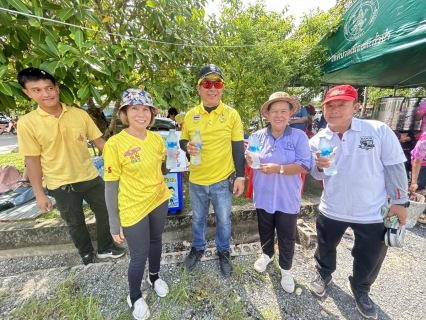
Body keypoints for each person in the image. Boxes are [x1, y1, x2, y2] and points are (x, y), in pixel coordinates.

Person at [308, 85, 408, 320]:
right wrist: (320, 168)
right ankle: (323, 274)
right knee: (325, 247)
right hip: (332, 207)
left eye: (341, 105)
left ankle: (361, 290)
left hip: (372, 210)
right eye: (329, 106)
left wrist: (400, 202)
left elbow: (394, 166)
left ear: (356, 107)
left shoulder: (377, 130)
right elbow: (317, 175)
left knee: (369, 256)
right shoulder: (318, 139)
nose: (334, 110)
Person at [16, 67, 124, 265]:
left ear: (57, 88)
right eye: (37, 90)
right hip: (60, 184)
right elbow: (31, 161)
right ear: (27, 93)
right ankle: (85, 253)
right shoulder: (27, 123)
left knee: (108, 211)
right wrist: (39, 193)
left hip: (90, 177)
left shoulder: (79, 114)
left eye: (49, 88)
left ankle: (106, 248)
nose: (45, 94)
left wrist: (120, 165)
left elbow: (100, 142)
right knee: (75, 222)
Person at [103, 89, 173, 320]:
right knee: (139, 253)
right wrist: (114, 223)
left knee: (156, 241)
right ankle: (134, 296)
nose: (141, 114)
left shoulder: (156, 139)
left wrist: (173, 159)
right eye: (134, 108)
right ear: (125, 113)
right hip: (133, 205)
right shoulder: (115, 144)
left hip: (159, 199)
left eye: (146, 109)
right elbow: (111, 185)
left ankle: (154, 277)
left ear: (152, 114)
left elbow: (162, 169)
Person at [180, 64, 245, 276]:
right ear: (198, 88)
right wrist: (185, 146)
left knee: (224, 220)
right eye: (207, 83)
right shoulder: (190, 115)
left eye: (217, 83)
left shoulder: (232, 115)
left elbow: (237, 148)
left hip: (222, 180)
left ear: (222, 88)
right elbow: (182, 140)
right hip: (197, 180)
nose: (213, 88)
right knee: (198, 219)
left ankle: (223, 251)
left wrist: (241, 177)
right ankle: (198, 247)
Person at [245, 92, 311, 293]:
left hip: (287, 197)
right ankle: (267, 255)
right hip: (264, 194)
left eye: (284, 111)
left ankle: (286, 268)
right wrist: (249, 159)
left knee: (286, 234)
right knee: (264, 228)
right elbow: (251, 158)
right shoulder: (257, 135)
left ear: (291, 113)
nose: (279, 115)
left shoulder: (298, 136)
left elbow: (305, 165)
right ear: (268, 115)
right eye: (275, 111)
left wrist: (279, 168)